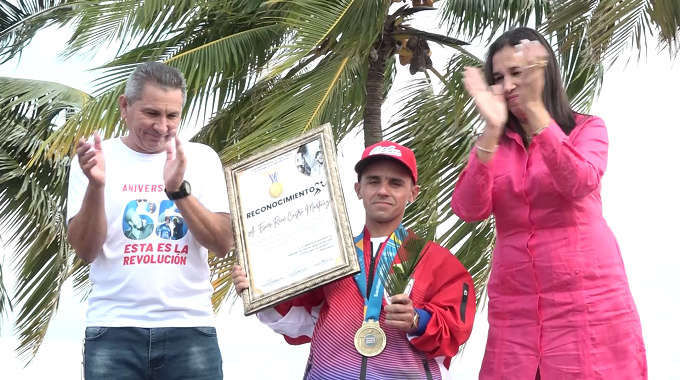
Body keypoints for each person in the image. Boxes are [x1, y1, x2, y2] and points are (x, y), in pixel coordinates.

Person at [451, 27, 647, 379]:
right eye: (498, 78)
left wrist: (536, 111)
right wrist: (491, 131)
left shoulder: (587, 129)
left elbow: (579, 181)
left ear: (543, 73)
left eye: (517, 73)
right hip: (516, 310)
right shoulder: (493, 144)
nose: (508, 85)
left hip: (588, 302)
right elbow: (468, 209)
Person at [232, 141, 476, 380]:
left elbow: (456, 330)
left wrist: (417, 320)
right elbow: (296, 318)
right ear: (358, 189)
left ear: (413, 193)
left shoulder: (439, 262)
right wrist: (258, 287)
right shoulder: (328, 256)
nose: (383, 190)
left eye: (396, 183)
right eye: (373, 181)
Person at [67, 62, 233, 380]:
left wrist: (178, 192)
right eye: (152, 114)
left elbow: (222, 243)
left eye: (172, 116)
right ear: (125, 106)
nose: (162, 127)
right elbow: (87, 250)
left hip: (190, 328)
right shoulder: (95, 160)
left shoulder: (201, 159)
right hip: (113, 330)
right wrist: (97, 185)